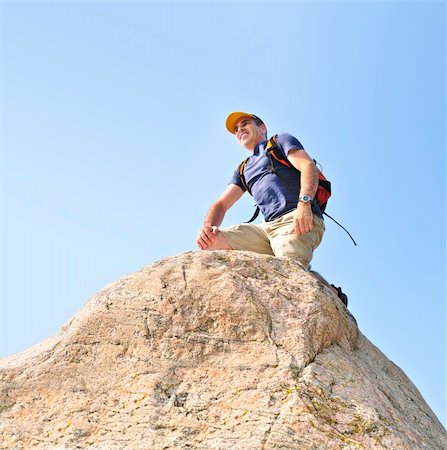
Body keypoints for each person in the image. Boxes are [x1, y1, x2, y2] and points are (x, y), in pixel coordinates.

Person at [196, 112, 347, 305]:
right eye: (236, 129)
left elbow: (307, 166)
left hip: (296, 219)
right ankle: (328, 289)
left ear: (262, 128)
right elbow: (221, 204)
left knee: (290, 272)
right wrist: (208, 228)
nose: (240, 129)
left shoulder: (279, 141)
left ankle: (331, 296)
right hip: (266, 229)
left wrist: (305, 203)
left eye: (245, 124)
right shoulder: (243, 169)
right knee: (211, 243)